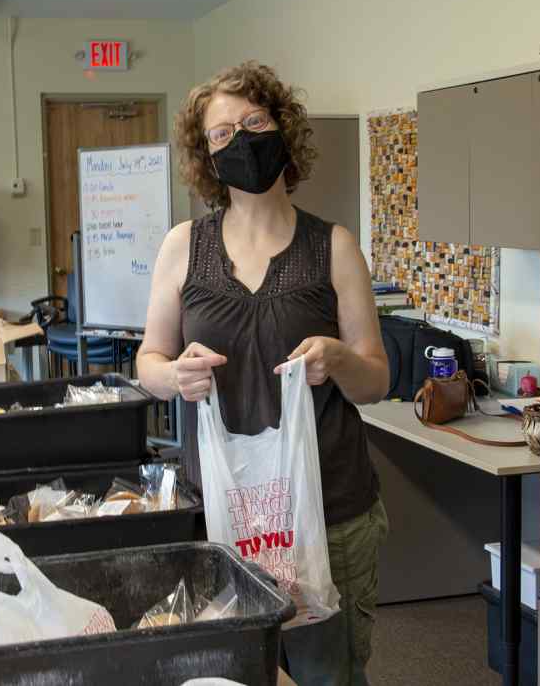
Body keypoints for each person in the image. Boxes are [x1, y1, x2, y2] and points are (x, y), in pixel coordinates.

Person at [137, 61, 390, 686]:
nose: (241, 140)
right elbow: (148, 361)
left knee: (329, 675)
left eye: (254, 122)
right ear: (205, 155)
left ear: (283, 128)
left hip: (328, 514)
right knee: (230, 676)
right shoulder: (182, 247)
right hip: (224, 517)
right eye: (221, 134)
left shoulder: (333, 246)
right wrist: (173, 378)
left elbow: (377, 381)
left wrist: (338, 359)